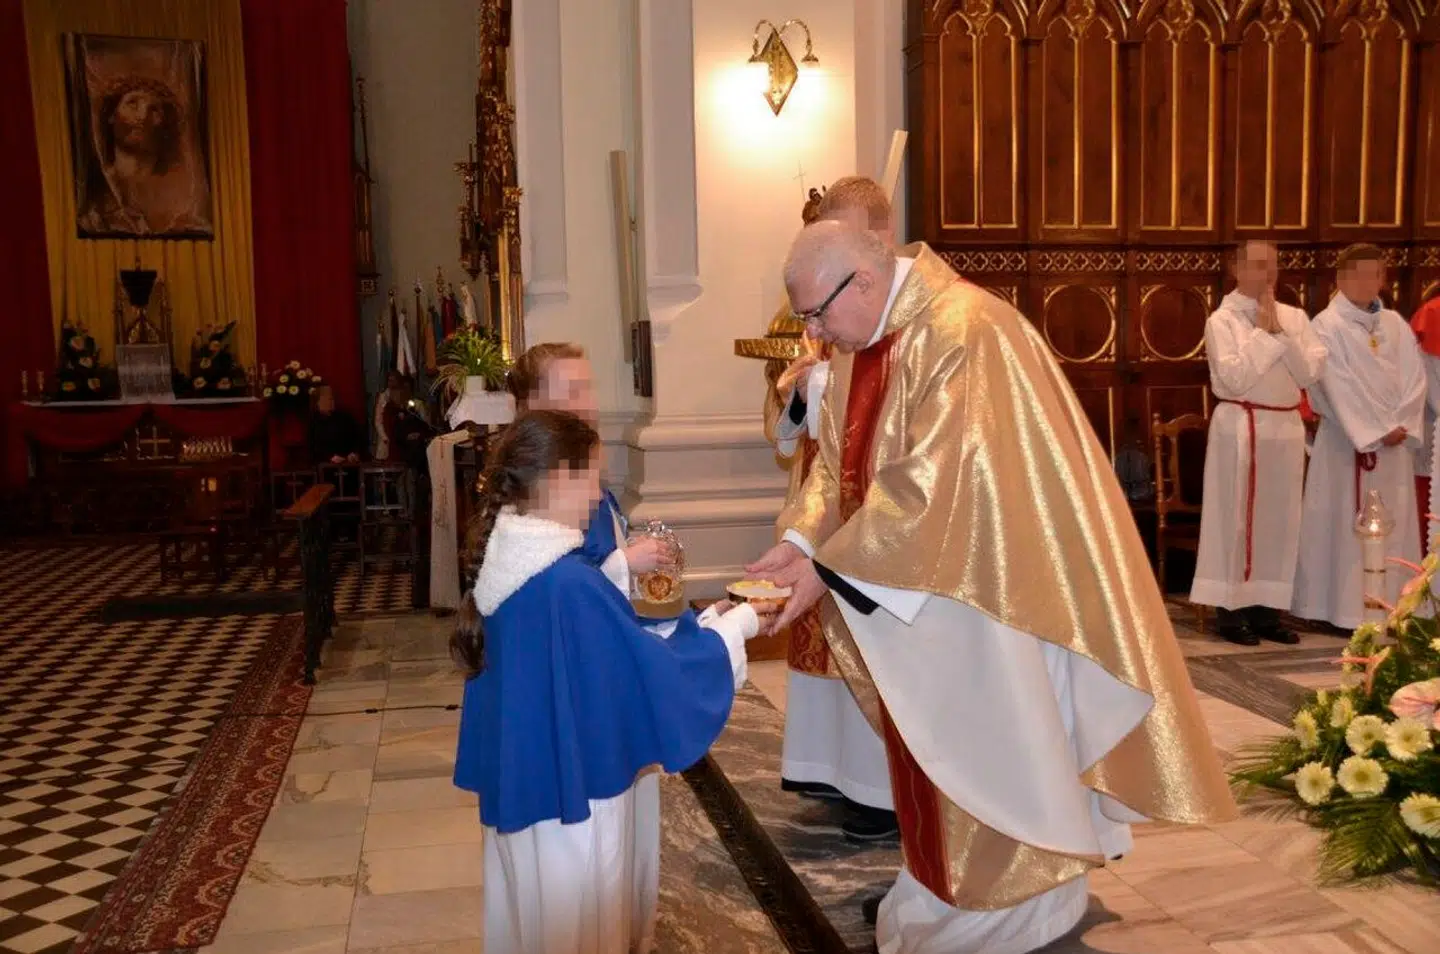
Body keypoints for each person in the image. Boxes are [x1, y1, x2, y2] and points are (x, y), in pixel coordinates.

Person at [747, 222, 1236, 954]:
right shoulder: (866, 341)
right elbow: (836, 470)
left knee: (993, 752)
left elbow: (937, 482)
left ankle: (1012, 905)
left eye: (817, 313)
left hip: (988, 597)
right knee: (934, 762)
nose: (814, 333)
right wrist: (799, 542)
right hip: (916, 599)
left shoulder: (967, 329)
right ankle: (944, 890)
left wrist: (825, 570)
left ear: (865, 281)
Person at [451, 409, 771, 954]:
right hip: (574, 803)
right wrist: (740, 626)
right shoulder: (566, 581)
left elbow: (614, 650)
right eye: (590, 479)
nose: (598, 498)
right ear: (556, 479)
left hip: (528, 792)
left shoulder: (511, 566)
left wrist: (708, 622)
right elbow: (646, 676)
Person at [766, 176, 897, 841]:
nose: (816, 329)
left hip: (881, 524)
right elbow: (795, 431)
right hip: (825, 503)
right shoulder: (834, 317)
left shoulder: (917, 326)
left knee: (873, 652)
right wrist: (804, 394)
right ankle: (835, 770)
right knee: (826, 647)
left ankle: (879, 790)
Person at [1190, 241, 1326, 645]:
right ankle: (1231, 612)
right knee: (1236, 520)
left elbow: (1308, 374)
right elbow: (1233, 379)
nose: (1267, 273)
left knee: (1279, 521)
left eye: (1273, 265)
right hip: (1240, 424)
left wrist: (1278, 330)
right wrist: (1265, 336)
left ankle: (1268, 610)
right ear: (1235, 268)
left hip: (1283, 427)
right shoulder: (1222, 321)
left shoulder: (1295, 316)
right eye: (1257, 265)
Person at [1293, 244, 1428, 630]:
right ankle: (1339, 610)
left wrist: (1401, 423)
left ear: (1383, 279)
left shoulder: (1395, 325)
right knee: (1342, 524)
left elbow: (1415, 380)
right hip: (1347, 446)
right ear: (1340, 279)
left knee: (1395, 525)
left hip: (1394, 448)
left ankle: (1395, 607)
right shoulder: (1325, 326)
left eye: (1376, 275)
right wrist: (1375, 430)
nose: (1369, 283)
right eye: (1359, 275)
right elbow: (1335, 386)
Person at [506, 342, 672, 591]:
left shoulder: (583, 464)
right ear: (531, 405)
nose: (589, 404)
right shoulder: (535, 483)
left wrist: (631, 548)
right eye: (573, 392)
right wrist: (625, 562)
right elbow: (551, 587)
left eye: (588, 389)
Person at [78, 74, 211, 236]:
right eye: (132, 103)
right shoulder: (95, 193)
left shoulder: (183, 194)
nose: (142, 116)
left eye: (154, 110)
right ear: (111, 116)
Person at [308, 384, 364, 465]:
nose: (331, 400)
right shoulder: (314, 422)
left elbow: (358, 437)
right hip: (325, 467)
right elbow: (313, 448)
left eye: (332, 398)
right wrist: (329, 457)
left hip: (348, 465)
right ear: (318, 402)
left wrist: (354, 453)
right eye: (327, 398)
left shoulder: (345, 417)